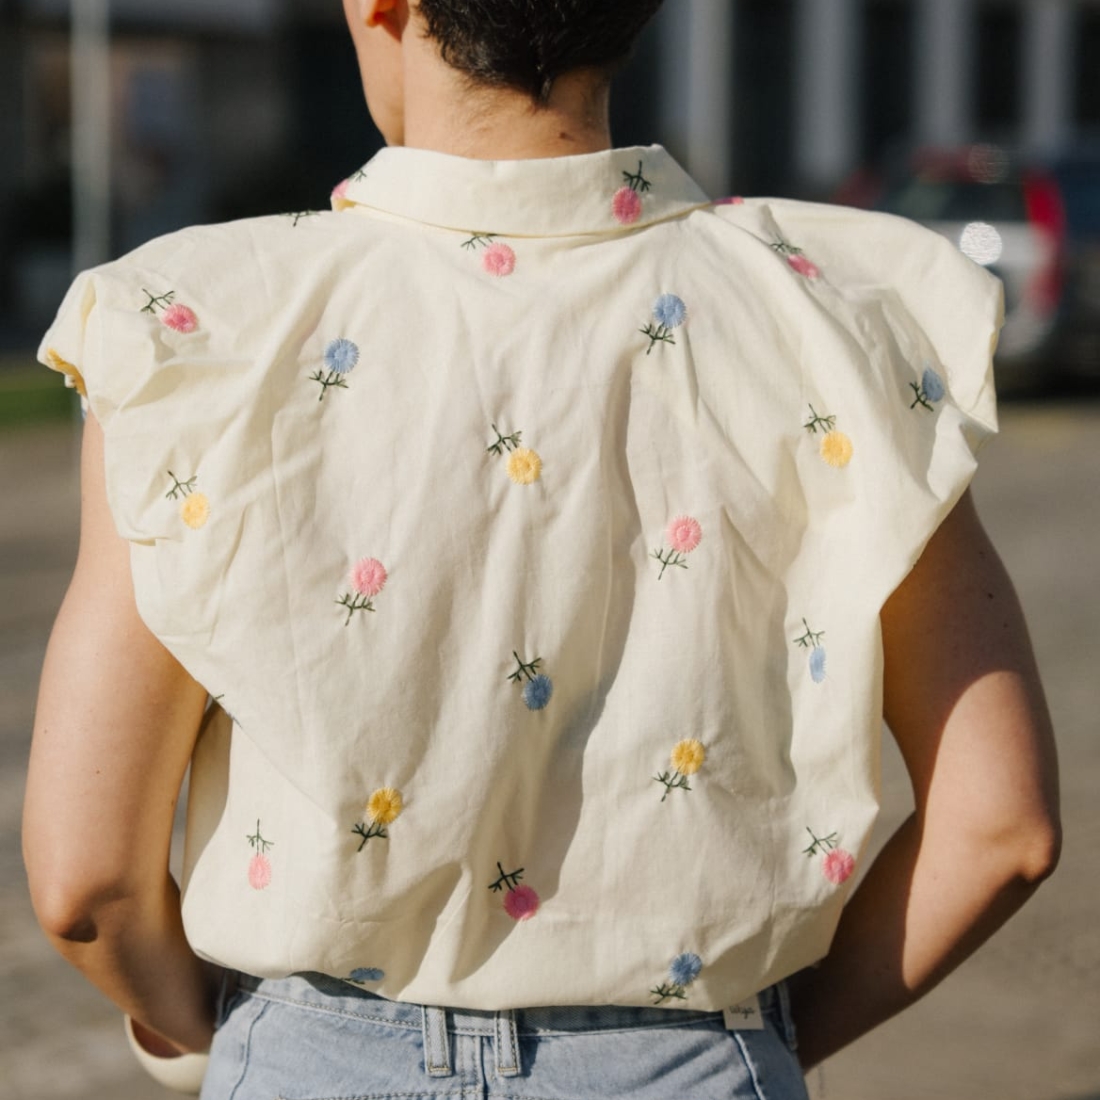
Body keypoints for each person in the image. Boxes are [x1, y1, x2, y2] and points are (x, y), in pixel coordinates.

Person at [23, 1, 1060, 1097]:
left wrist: (224, 1034)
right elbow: (998, 826)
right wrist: (757, 1043)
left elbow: (88, 881)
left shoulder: (198, 331)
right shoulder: (835, 325)